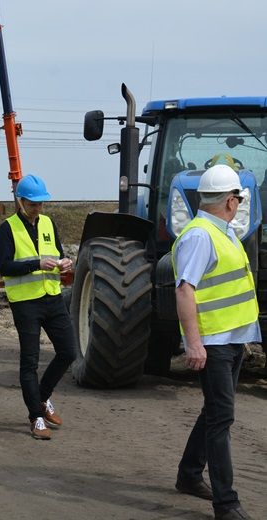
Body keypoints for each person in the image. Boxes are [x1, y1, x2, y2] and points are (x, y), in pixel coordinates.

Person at [172, 164, 258, 520]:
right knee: (222, 418)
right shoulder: (200, 236)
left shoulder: (223, 232)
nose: (238, 203)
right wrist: (194, 343)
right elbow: (184, 290)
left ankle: (189, 475)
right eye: (237, 197)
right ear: (229, 201)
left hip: (231, 339)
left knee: (214, 412)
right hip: (215, 343)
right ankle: (226, 503)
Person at [0, 174, 76, 440]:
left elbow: (58, 253)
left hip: (52, 297)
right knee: (29, 361)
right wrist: (36, 264)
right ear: (21, 201)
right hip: (25, 303)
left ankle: (42, 398)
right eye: (33, 204)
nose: (38, 208)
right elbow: (4, 267)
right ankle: (36, 417)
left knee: (68, 351)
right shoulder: (7, 228)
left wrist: (66, 263)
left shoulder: (49, 224)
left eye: (41, 204)